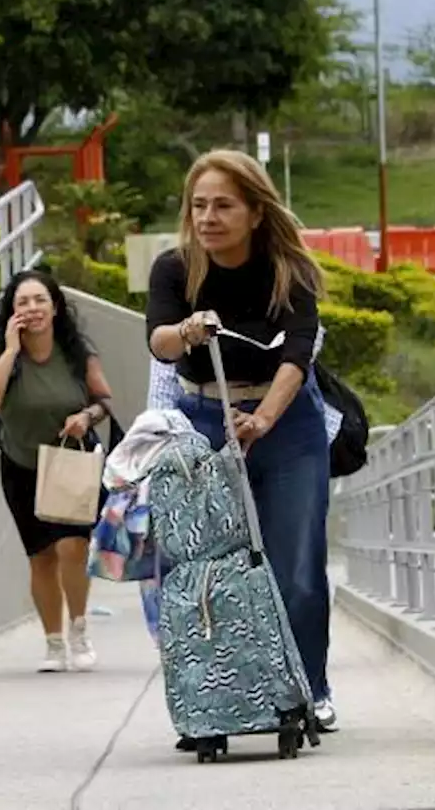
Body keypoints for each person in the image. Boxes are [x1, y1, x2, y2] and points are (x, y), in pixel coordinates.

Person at [145, 148, 337, 734]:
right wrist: (185, 330)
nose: (208, 217)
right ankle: (213, 699)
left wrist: (264, 420)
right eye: (199, 205)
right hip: (203, 423)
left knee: (296, 567)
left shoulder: (291, 271)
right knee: (204, 570)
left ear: (255, 211)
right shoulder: (175, 269)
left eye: (224, 205)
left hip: (286, 426)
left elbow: (297, 356)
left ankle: (310, 688)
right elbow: (159, 343)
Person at [0, 271, 115, 673]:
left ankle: (79, 629)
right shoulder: (2, 351)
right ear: (12, 312)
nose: (32, 309)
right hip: (21, 465)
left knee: (73, 546)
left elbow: (104, 400)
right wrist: (10, 351)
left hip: (71, 462)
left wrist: (86, 417)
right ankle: (53, 643)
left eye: (40, 300)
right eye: (23, 303)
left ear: (55, 307)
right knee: (41, 558)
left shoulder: (75, 352)